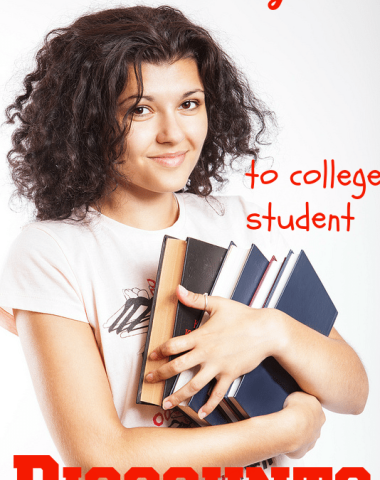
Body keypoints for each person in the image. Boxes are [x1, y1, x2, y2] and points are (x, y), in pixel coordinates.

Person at [0, 5, 368, 476]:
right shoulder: (51, 252)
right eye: (141, 109)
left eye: (189, 103)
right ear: (87, 120)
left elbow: (352, 391)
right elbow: (98, 456)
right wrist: (287, 431)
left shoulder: (233, 220)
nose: (173, 134)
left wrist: (271, 330)